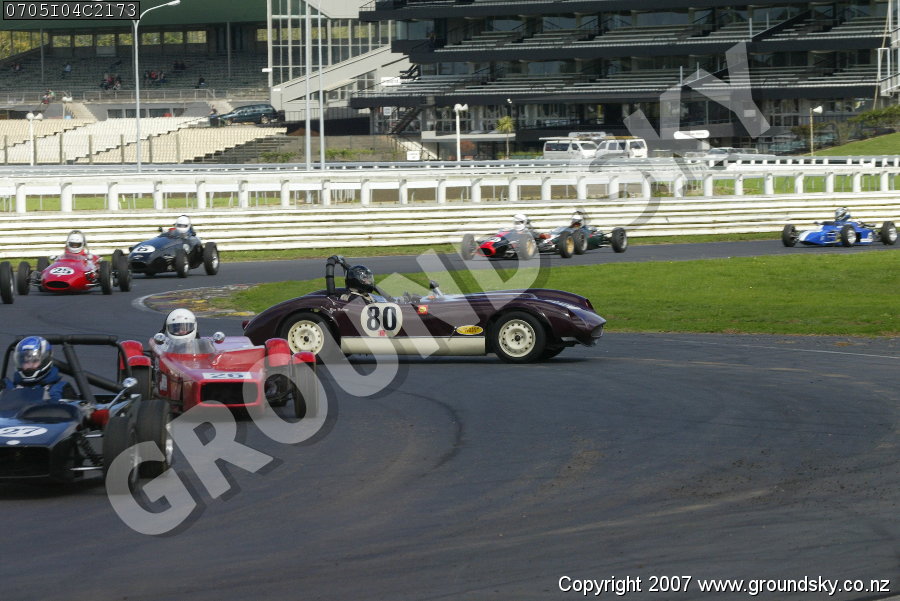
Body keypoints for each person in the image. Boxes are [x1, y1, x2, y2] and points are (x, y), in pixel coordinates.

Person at [3, 337, 74, 402]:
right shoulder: (6, 387)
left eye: (34, 361)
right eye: (26, 362)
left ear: (45, 361)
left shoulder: (62, 388)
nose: (29, 366)